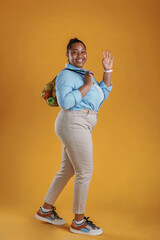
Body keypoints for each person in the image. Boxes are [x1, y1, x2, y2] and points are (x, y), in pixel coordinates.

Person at [35, 38, 114, 236]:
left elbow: (102, 95)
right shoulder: (66, 75)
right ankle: (78, 222)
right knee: (85, 171)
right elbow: (65, 102)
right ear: (68, 55)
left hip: (83, 122)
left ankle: (45, 210)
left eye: (83, 51)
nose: (80, 56)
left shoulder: (85, 74)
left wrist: (107, 71)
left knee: (67, 170)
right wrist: (87, 85)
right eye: (75, 52)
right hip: (73, 121)